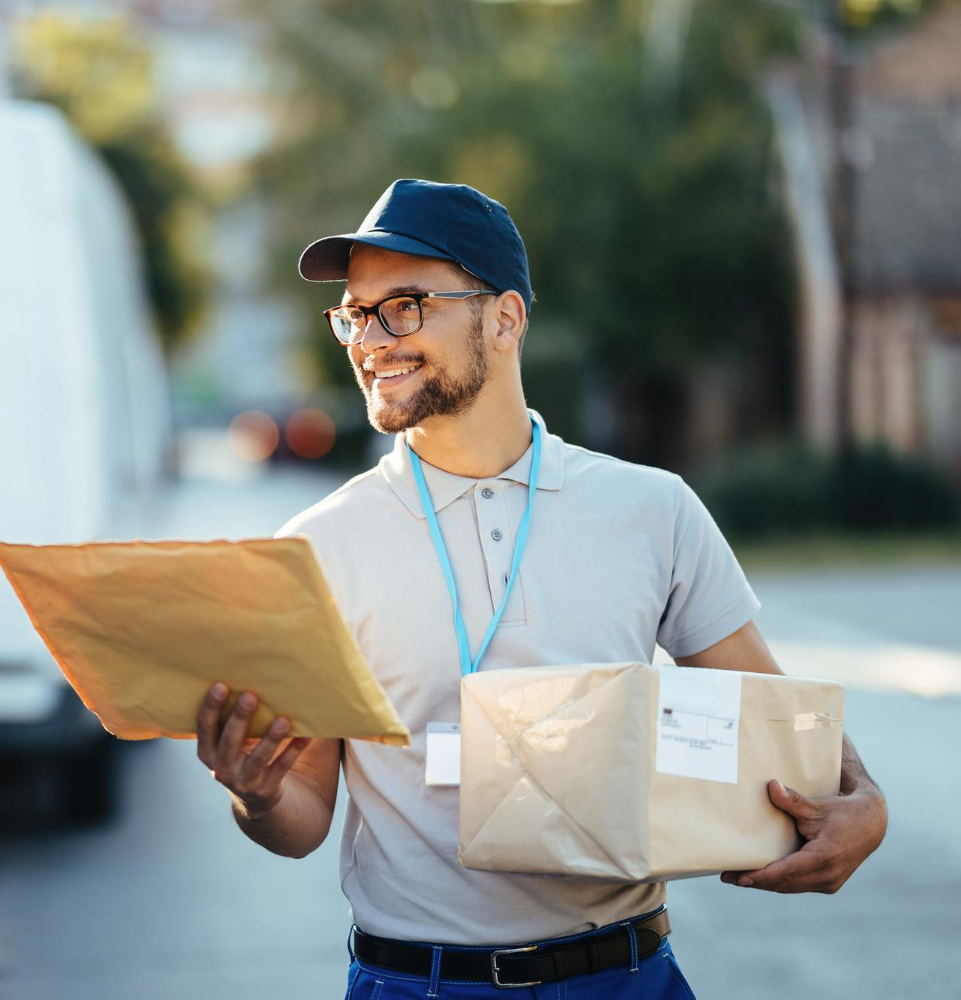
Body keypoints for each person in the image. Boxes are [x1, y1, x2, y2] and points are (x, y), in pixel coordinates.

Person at [192, 179, 888, 998]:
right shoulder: (314, 547)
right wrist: (255, 794)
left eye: (405, 305)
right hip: (417, 985)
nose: (370, 339)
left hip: (626, 975)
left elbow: (773, 719)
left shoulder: (651, 510)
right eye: (355, 313)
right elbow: (301, 815)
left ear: (506, 318)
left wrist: (865, 805)